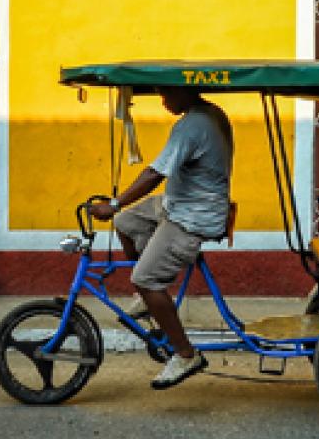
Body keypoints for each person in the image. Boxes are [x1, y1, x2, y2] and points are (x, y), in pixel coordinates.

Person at [90, 86, 233, 389]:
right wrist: (120, 210)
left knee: (144, 278)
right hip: (177, 204)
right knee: (126, 222)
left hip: (193, 216)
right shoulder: (207, 113)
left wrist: (114, 202)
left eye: (167, 95)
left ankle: (185, 353)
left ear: (186, 92)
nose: (164, 101)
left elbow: (155, 173)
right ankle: (149, 299)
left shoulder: (192, 126)